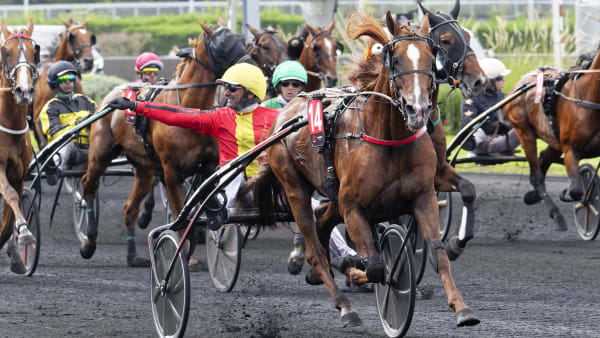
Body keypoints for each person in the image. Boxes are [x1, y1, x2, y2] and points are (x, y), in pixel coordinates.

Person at [108, 63, 278, 219]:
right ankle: (218, 208)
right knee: (234, 172)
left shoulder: (277, 118)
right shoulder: (220, 118)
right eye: (225, 88)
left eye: (232, 89)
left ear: (250, 93)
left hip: (267, 189)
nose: (226, 93)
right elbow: (176, 114)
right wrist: (136, 106)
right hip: (235, 187)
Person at [262, 61, 371, 292]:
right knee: (312, 208)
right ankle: (344, 258)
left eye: (296, 84)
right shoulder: (267, 109)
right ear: (277, 86)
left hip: (309, 164)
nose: (290, 87)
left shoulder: (313, 105)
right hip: (276, 170)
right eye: (285, 84)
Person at [40, 61, 95, 185]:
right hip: (65, 151)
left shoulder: (86, 101)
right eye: (63, 79)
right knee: (69, 145)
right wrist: (77, 126)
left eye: (71, 78)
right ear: (55, 83)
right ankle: (57, 171)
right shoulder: (50, 107)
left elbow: (99, 122)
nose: (68, 82)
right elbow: (55, 133)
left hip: (89, 149)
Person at [461, 58, 520, 157]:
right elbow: (469, 125)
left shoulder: (505, 98)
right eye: (500, 78)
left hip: (502, 138)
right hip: (481, 141)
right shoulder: (471, 100)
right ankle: (482, 151)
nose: (504, 81)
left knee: (522, 128)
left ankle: (497, 151)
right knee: (476, 132)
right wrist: (489, 126)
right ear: (488, 81)